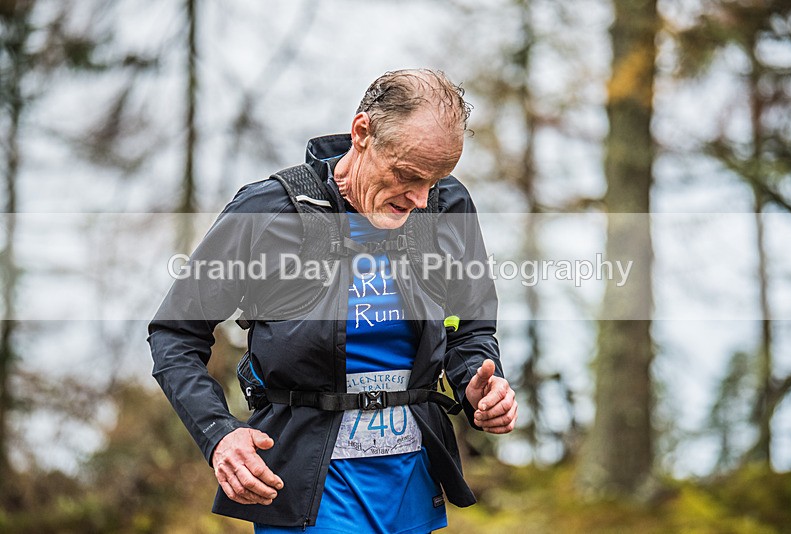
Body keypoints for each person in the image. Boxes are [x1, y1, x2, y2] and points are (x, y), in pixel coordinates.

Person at [148, 69, 518, 533]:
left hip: (411, 492)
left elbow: (470, 328)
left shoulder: (448, 207)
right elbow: (175, 334)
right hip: (309, 494)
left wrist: (478, 383)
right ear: (362, 133)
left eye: (436, 179)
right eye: (407, 175)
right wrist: (219, 434)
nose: (422, 200)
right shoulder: (269, 211)